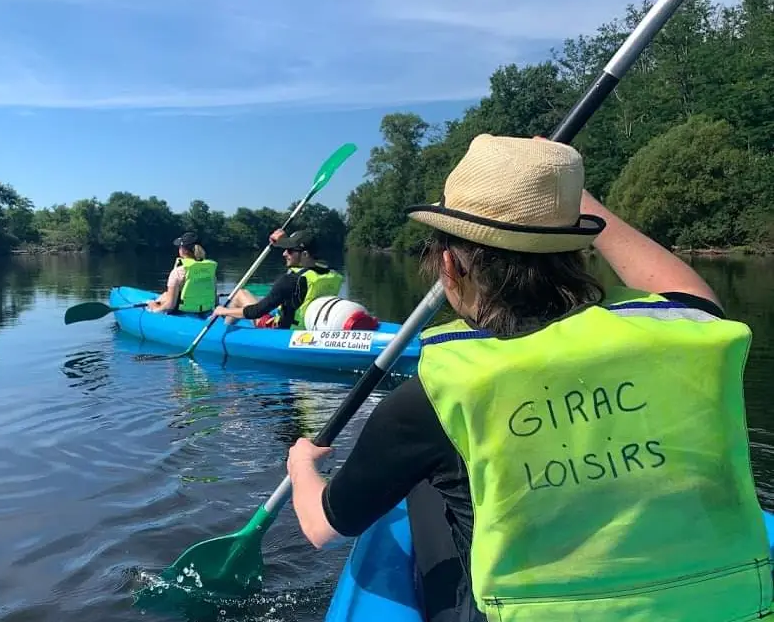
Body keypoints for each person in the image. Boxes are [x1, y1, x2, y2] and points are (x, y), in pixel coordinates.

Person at [284, 134, 772, 621]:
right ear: (576, 249)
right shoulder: (687, 333)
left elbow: (324, 526)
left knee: (428, 480)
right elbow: (689, 291)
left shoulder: (439, 393)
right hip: (735, 610)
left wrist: (303, 466)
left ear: (450, 265)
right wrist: (558, 191)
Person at [212, 228, 343, 329]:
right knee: (243, 293)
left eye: (290, 250)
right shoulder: (331, 273)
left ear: (305, 254)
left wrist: (223, 310)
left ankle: (223, 331)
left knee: (239, 294)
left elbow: (256, 312)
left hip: (280, 330)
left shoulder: (290, 280)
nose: (284, 253)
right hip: (307, 328)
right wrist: (282, 241)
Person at [146, 231, 218, 315]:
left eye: (179, 247)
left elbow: (170, 306)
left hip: (183, 313)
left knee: (160, 301)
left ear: (183, 250)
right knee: (166, 294)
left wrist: (154, 308)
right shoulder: (210, 271)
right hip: (206, 311)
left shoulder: (178, 272)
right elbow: (215, 299)